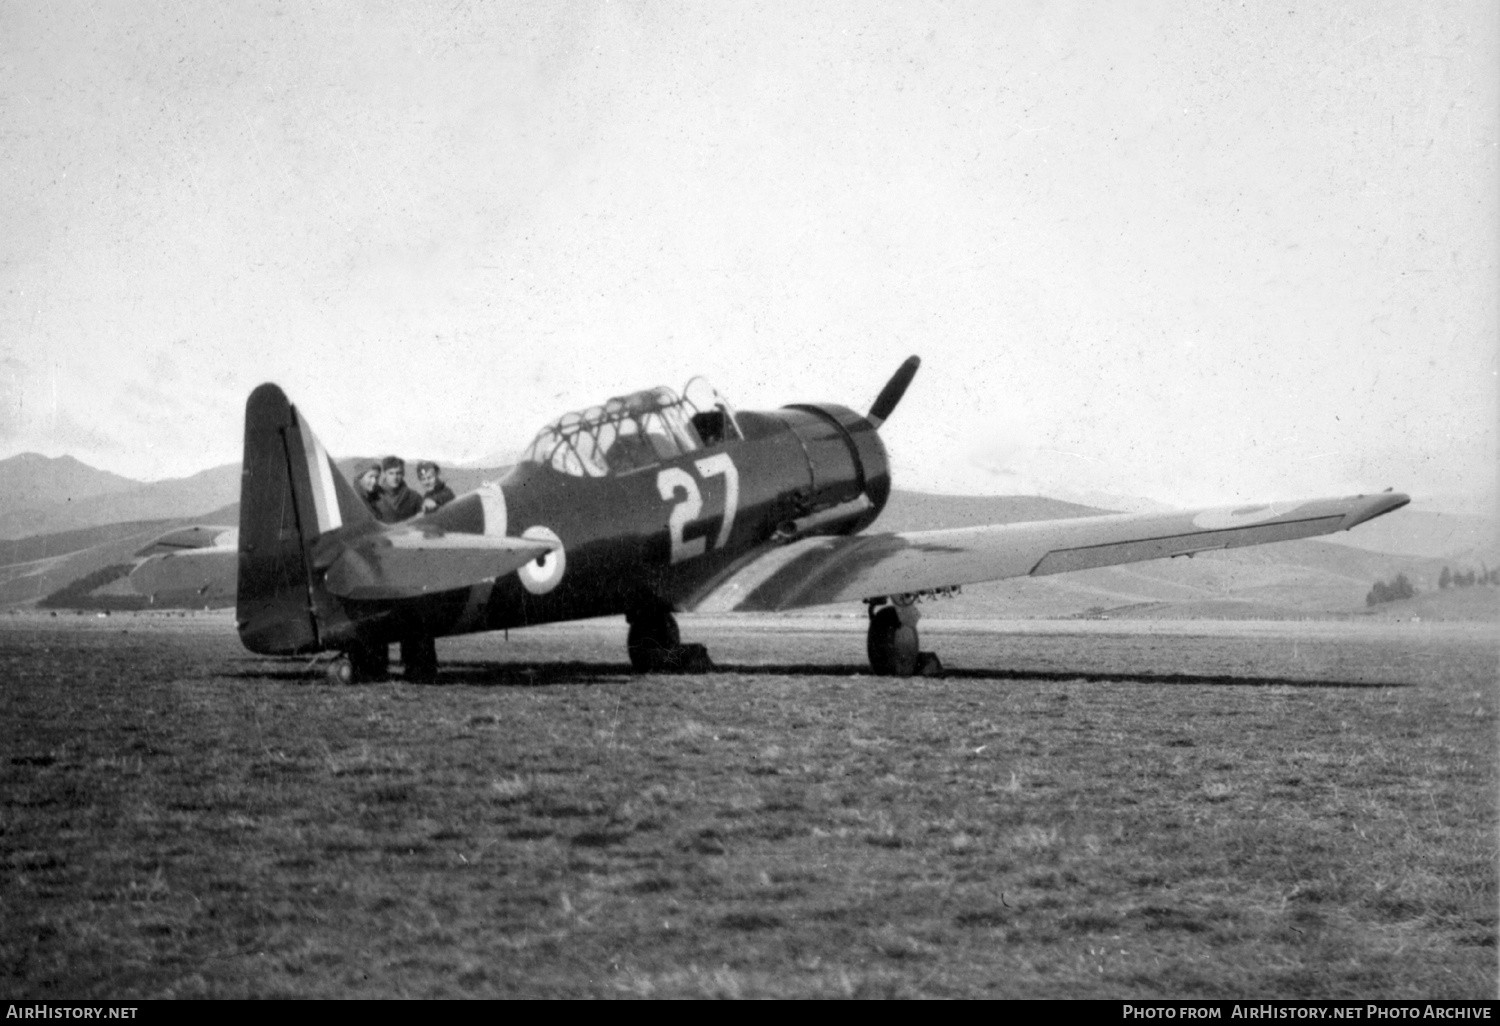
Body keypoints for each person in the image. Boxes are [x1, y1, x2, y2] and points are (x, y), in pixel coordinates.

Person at [374, 456, 424, 523]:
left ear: (403, 473)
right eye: (391, 473)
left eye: (398, 473)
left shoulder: (415, 498)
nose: (395, 477)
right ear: (384, 474)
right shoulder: (373, 496)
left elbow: (424, 522)